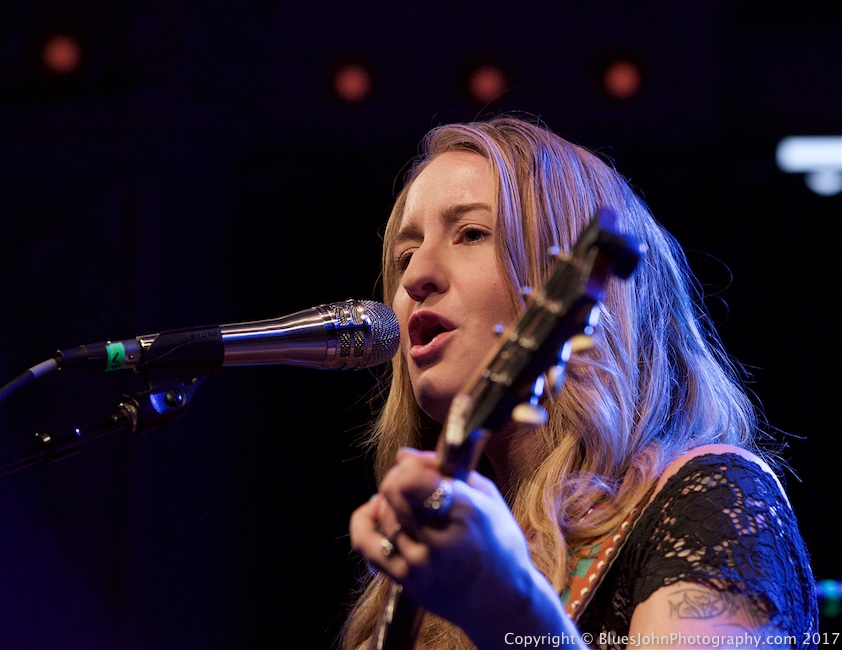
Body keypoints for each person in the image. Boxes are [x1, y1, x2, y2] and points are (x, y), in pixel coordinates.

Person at [342, 115, 817, 649]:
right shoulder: (411, 588)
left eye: (472, 233)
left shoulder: (711, 501)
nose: (413, 276)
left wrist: (504, 604)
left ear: (572, 291)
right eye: (404, 255)